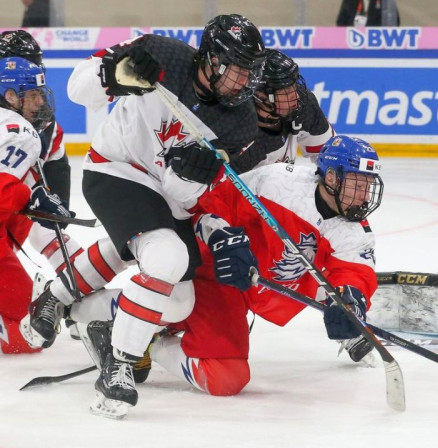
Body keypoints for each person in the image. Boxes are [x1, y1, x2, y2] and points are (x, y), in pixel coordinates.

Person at [23, 14, 266, 418]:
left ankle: (62, 297)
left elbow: (182, 195)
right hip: (115, 169)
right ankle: (118, 365)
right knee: (168, 257)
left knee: (181, 300)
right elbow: (77, 88)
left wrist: (190, 175)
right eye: (238, 70)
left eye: (249, 74)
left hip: (165, 197)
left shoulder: (239, 122)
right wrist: (111, 75)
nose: (244, 83)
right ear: (213, 60)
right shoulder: (160, 52)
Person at [77, 135, 383, 397]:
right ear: (330, 177)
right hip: (215, 277)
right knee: (225, 375)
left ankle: (151, 341)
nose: (363, 195)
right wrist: (225, 244)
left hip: (250, 291)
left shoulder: (355, 230)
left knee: (223, 373)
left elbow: (354, 272)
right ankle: (85, 309)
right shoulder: (276, 183)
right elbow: (210, 207)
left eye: (369, 185)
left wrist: (350, 300)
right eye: (357, 183)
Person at [1, 31, 85, 338]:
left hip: (8, 205)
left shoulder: (43, 127)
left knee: (46, 228)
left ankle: (84, 290)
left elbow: (56, 170)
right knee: (28, 333)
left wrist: (47, 203)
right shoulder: (20, 128)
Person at [230, 49, 333, 172]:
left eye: (294, 87)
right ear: (260, 95)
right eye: (286, 92)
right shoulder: (237, 134)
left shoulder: (305, 106)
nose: (296, 97)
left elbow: (330, 157)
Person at [336, 0, 400, 27]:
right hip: (354, 44)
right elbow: (341, 22)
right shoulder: (349, 1)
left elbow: (394, 22)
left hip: (377, 45)